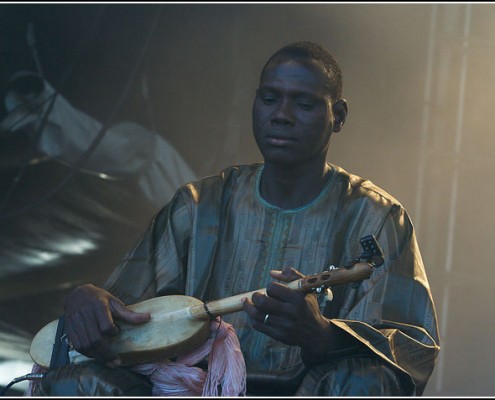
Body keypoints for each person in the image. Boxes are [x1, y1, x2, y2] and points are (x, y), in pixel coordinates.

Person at [32, 41, 440, 396]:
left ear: (339, 115)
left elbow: (412, 347)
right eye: (269, 99)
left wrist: (320, 335)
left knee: (365, 382)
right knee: (78, 381)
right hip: (191, 390)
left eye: (303, 103)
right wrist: (91, 300)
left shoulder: (377, 216)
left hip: (308, 389)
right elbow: (129, 316)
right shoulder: (198, 204)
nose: (281, 115)